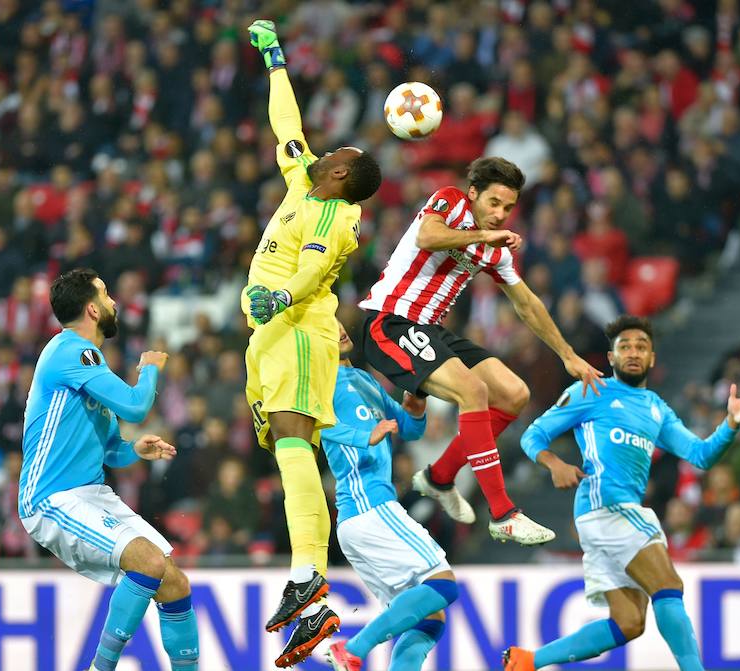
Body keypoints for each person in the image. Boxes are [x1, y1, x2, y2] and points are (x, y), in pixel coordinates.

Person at [358, 156, 602, 544]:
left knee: (513, 394)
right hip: (390, 321)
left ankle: (439, 478)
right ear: (474, 194)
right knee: (474, 391)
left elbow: (527, 304)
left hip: (430, 331)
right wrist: (481, 237)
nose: (500, 214)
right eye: (493, 203)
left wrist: (568, 354)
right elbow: (428, 237)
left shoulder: (496, 250)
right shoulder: (451, 201)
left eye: (507, 208)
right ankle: (503, 512)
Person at [241, 19, 383, 668]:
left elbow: (309, 268)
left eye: (342, 156)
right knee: (288, 449)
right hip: (271, 336)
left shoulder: (338, 213)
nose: (331, 152)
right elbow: (286, 124)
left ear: (345, 177)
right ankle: (311, 595)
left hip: (298, 329)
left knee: (298, 442)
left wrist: (281, 297)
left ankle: (310, 577)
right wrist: (275, 60)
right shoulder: (306, 182)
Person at [502, 315, 740, 671]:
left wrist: (730, 424)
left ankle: (528, 661)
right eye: (624, 347)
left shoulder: (656, 408)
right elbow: (533, 436)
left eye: (641, 347)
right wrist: (554, 464)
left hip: (610, 517)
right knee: (667, 584)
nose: (633, 353)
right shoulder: (592, 389)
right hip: (605, 506)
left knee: (629, 623)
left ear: (652, 358)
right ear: (611, 358)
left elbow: (701, 455)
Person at [17, 268, 198, 671]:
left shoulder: (88, 367)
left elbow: (111, 450)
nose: (114, 301)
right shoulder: (70, 351)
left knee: (174, 583)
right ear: (92, 310)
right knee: (148, 563)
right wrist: (150, 367)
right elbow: (135, 406)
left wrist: (135, 447)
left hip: (90, 493)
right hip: (51, 497)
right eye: (106, 294)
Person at [322, 323, 457, 671]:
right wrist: (364, 435)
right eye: (326, 327)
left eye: (337, 323)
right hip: (369, 505)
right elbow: (311, 424)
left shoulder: (365, 382)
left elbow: (409, 430)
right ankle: (353, 648)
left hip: (361, 517)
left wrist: (416, 405)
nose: (338, 330)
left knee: (430, 617)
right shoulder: (320, 382)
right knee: (444, 585)